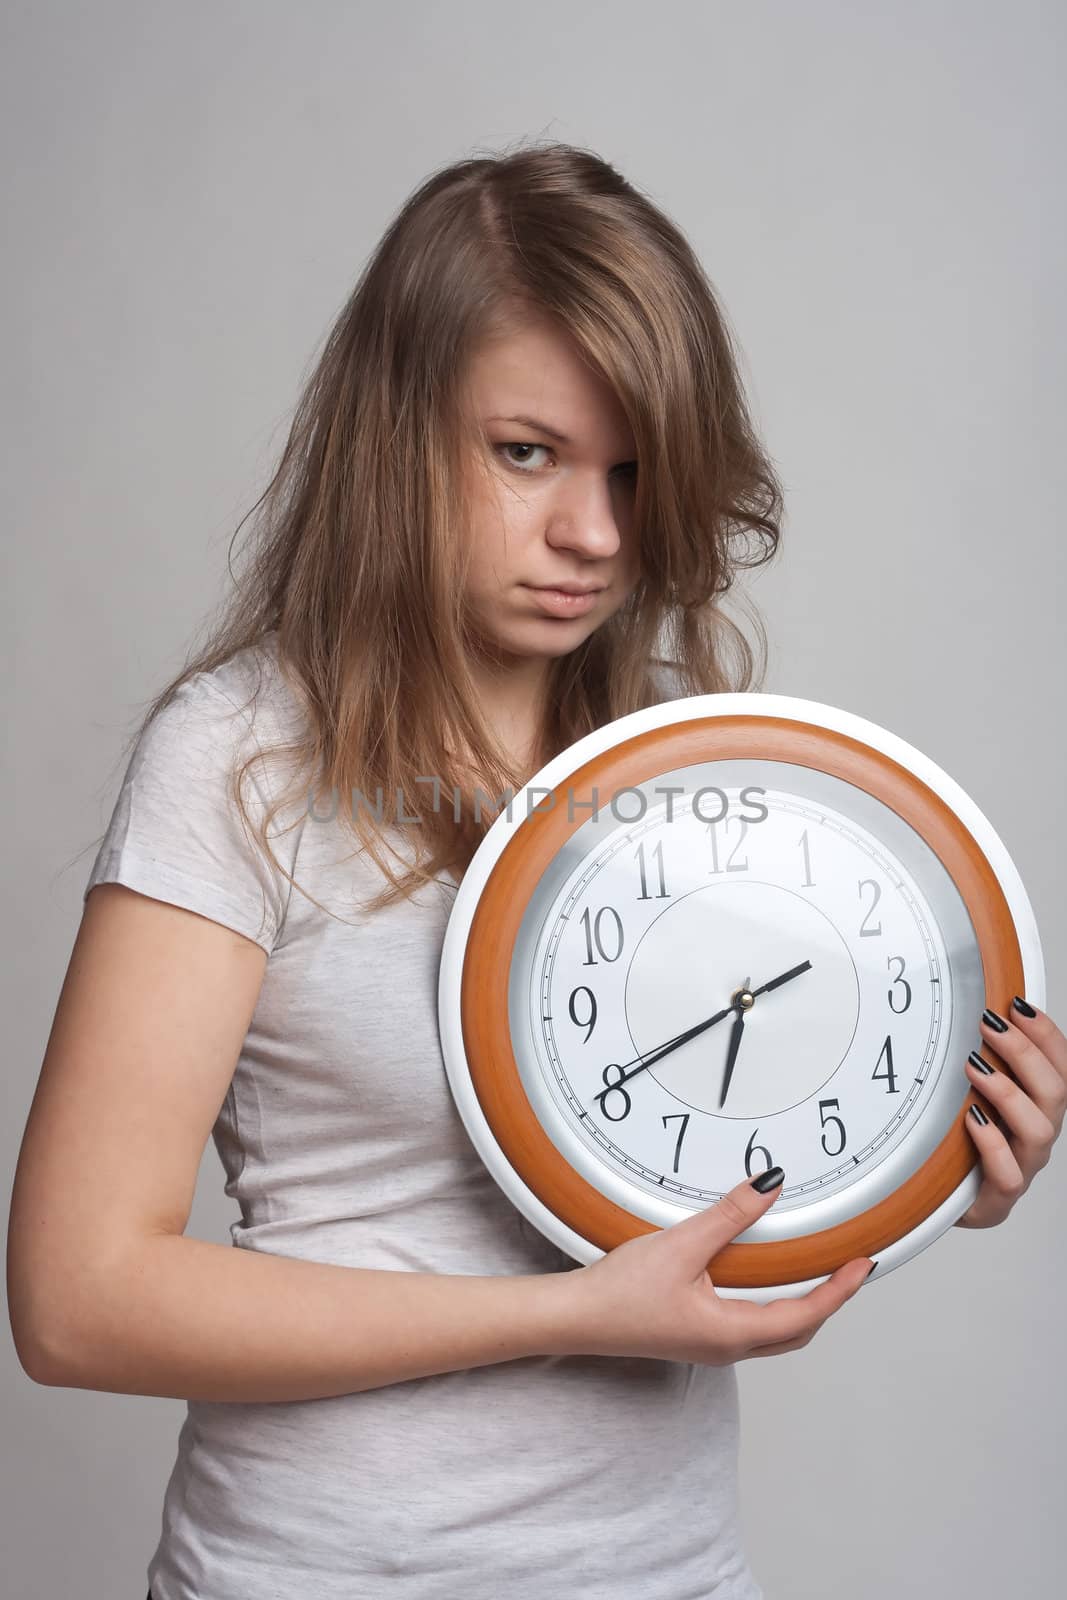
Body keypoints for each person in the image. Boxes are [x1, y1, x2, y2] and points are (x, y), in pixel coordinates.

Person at [9, 142, 1065, 1600]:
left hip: (668, 1575)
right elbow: (78, 1303)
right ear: (398, 432)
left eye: (637, 474)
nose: (594, 534)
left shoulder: (688, 771)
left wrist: (937, 1167)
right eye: (528, 454)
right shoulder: (241, 756)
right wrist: (567, 1314)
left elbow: (724, 1153)